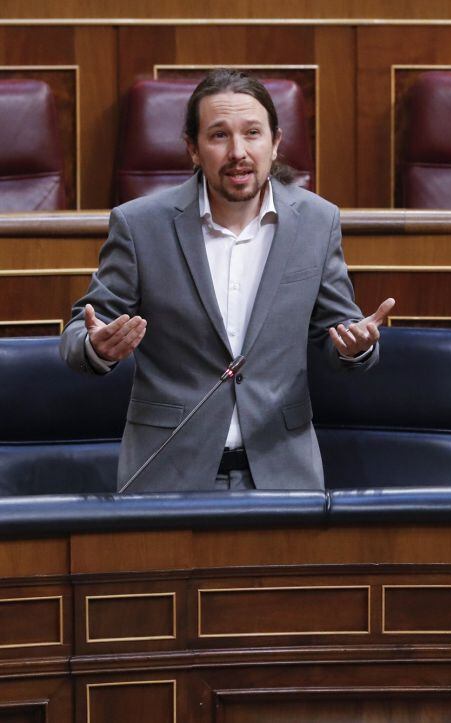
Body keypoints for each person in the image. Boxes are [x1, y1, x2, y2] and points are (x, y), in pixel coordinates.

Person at [59, 68, 395, 492]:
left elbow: (341, 331)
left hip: (282, 472)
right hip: (168, 473)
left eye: (252, 133)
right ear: (193, 149)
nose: (238, 151)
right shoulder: (140, 225)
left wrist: (355, 348)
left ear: (275, 144)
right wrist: (96, 346)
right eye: (219, 136)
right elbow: (77, 335)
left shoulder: (317, 221)